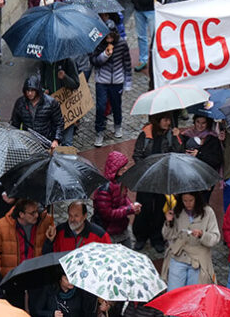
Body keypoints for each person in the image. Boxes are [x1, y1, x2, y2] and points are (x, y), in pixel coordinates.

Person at [132, 112, 184, 252]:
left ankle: (157, 238)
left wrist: (176, 137)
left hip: (163, 178)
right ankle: (141, 236)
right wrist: (146, 169)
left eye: (169, 120)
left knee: (160, 209)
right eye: (165, 120)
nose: (168, 123)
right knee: (144, 208)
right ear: (158, 120)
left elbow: (178, 154)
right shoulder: (145, 134)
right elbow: (137, 155)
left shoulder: (171, 135)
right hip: (147, 178)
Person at [0, 199, 56, 306]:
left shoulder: (46, 222)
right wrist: (3, 273)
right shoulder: (2, 226)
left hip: (36, 277)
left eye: (37, 211)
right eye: (32, 213)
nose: (36, 215)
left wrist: (50, 240)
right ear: (21, 214)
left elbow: (50, 252)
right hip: (13, 279)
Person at [161, 191, 220, 289]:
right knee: (174, 293)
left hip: (198, 261)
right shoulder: (177, 210)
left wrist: (202, 235)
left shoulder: (208, 212)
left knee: (193, 294)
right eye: (185, 201)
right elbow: (167, 235)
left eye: (191, 200)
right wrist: (168, 222)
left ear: (197, 199)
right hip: (179, 256)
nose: (188, 204)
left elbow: (215, 237)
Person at [90, 19, 131, 147]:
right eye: (106, 36)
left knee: (116, 105)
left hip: (117, 81)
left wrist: (127, 82)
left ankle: (118, 125)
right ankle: (99, 131)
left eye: (111, 36)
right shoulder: (98, 44)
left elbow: (127, 63)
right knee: (101, 107)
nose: (109, 39)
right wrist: (105, 55)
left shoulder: (122, 44)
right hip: (102, 81)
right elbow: (94, 61)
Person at [93, 151, 140, 244]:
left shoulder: (120, 181)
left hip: (120, 227)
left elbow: (123, 197)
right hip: (108, 231)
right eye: (123, 166)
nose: (125, 168)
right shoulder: (104, 189)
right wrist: (129, 209)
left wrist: (132, 205)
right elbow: (108, 214)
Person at [10, 75, 65, 147]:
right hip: (27, 141)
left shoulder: (51, 102)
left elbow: (59, 123)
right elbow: (15, 124)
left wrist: (56, 140)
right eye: (27, 90)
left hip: (46, 141)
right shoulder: (20, 103)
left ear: (37, 90)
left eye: (32, 90)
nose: (29, 93)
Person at [45, 201, 111, 253]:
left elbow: (108, 255)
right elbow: (48, 256)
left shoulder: (100, 235)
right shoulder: (58, 232)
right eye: (70, 215)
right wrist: (50, 241)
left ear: (85, 216)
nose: (72, 219)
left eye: (76, 216)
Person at [29, 273, 98, 317]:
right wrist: (52, 314)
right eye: (67, 279)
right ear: (60, 280)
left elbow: (87, 312)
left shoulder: (80, 292)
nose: (71, 281)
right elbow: (37, 311)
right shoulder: (49, 290)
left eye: (73, 278)